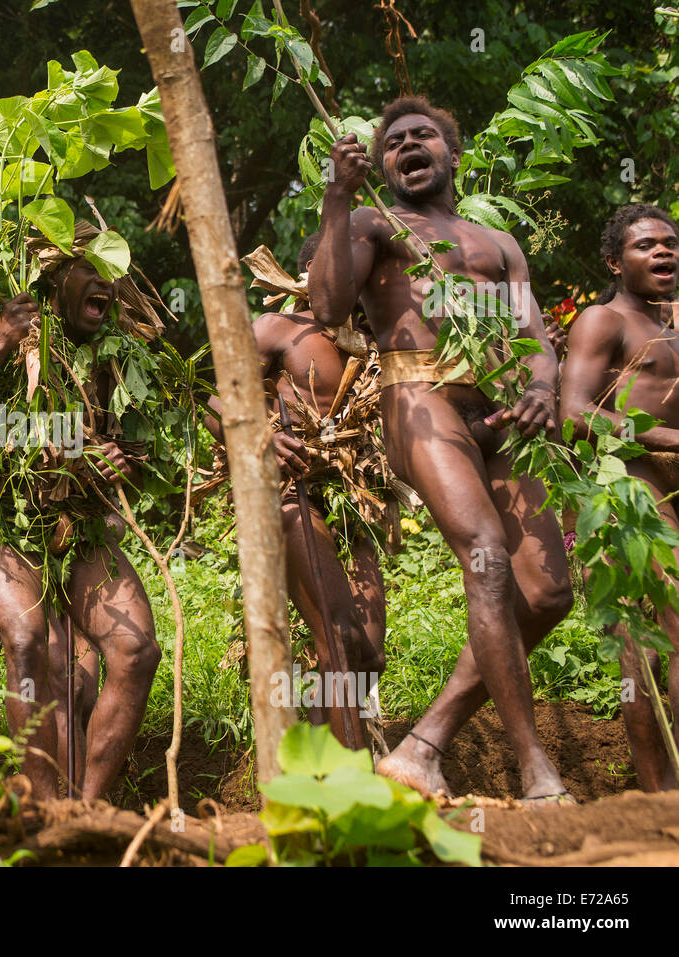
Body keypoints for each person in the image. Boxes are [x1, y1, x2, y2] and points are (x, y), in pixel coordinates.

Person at [309, 97, 574, 803]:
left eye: (422, 136)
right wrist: (338, 198)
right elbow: (329, 308)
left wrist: (544, 387)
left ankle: (426, 741)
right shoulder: (372, 223)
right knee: (486, 555)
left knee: (548, 593)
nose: (407, 146)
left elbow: (537, 338)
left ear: (453, 155)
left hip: (507, 411)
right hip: (421, 398)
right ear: (382, 165)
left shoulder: (499, 242)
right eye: (393, 142)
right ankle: (535, 768)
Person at [0, 222, 174, 801]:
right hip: (13, 528)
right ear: (54, 276)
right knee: (29, 644)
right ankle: (41, 807)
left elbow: (140, 456)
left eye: (114, 272)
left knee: (137, 653)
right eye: (91, 268)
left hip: (83, 528)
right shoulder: (1, 335)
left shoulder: (117, 355)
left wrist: (118, 461)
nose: (107, 284)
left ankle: (87, 810)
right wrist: (4, 339)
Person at [220, 235, 391, 738]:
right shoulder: (277, 329)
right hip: (291, 496)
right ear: (310, 272)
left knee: (367, 653)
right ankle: (349, 788)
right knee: (338, 639)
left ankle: (318, 764)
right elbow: (218, 404)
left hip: (354, 503)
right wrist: (263, 439)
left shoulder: (380, 339)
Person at [560, 203, 679, 791]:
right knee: (647, 645)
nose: (664, 252)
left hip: (674, 484)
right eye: (646, 246)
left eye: (670, 243)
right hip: (625, 490)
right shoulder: (602, 322)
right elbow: (576, 415)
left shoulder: (676, 323)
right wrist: (666, 439)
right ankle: (660, 796)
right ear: (614, 261)